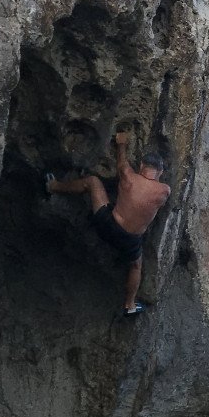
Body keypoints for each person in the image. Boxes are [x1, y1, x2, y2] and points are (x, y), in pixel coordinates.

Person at [46, 132, 170, 317]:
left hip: (107, 224)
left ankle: (53, 186)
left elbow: (121, 164)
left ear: (142, 165)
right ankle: (129, 305)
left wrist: (121, 144)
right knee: (136, 266)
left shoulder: (129, 177)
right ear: (159, 172)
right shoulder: (164, 191)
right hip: (129, 241)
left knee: (93, 182)